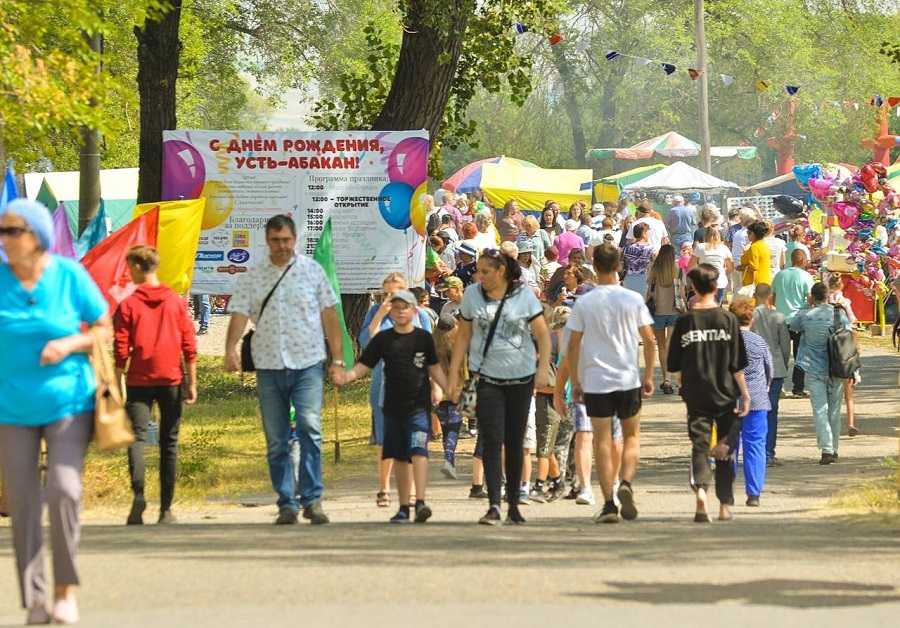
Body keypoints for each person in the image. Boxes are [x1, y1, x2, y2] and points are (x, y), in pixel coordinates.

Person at [0, 198, 110, 624]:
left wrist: (68, 344)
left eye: (12, 231)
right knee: (22, 502)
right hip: (11, 407)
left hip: (68, 401)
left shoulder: (68, 275)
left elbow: (103, 327)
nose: (4, 240)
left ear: (38, 235)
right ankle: (36, 599)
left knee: (65, 489)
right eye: (1, 232)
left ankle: (65, 591)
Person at [225, 214, 344, 525]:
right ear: (267, 241)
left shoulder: (312, 272)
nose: (281, 246)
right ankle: (286, 502)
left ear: (295, 240)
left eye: (286, 240)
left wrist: (338, 359)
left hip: (307, 363)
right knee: (277, 439)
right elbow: (239, 315)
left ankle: (313, 499)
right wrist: (229, 350)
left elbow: (330, 315)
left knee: (309, 427)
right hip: (269, 365)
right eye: (276, 240)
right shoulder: (253, 277)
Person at [448, 248, 551, 525]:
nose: (478, 276)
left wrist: (542, 370)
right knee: (492, 439)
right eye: (478, 271)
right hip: (487, 377)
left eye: (485, 271)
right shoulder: (471, 296)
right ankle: (494, 504)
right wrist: (454, 374)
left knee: (515, 442)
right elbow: (463, 336)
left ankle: (514, 505)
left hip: (521, 376)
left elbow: (543, 333)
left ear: (501, 271)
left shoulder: (523, 296)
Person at [334, 291, 448, 523]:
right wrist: (346, 377)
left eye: (405, 307)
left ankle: (421, 501)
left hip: (418, 406)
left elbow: (434, 367)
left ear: (415, 310)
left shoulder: (423, 339)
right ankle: (404, 506)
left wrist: (444, 388)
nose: (401, 312)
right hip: (392, 406)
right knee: (399, 458)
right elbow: (363, 366)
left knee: (418, 451)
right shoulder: (383, 339)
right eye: (396, 308)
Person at [565, 243, 657, 524]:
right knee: (631, 436)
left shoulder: (584, 302)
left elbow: (572, 344)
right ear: (619, 266)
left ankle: (608, 502)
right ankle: (626, 481)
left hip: (596, 380)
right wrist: (650, 375)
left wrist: (575, 380)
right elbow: (650, 340)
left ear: (595, 266)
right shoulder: (632, 299)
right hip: (627, 377)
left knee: (601, 441)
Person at [114, 245, 198, 526]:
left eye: (129, 268)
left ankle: (138, 495)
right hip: (171, 378)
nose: (128, 273)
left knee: (136, 438)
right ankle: (166, 509)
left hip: (139, 379)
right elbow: (189, 345)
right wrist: (192, 382)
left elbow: (121, 350)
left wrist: (117, 382)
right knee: (169, 443)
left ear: (138, 267)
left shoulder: (128, 305)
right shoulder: (175, 302)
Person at [667, 263, 751, 523]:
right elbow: (737, 364)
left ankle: (701, 495)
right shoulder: (727, 320)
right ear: (716, 287)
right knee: (726, 447)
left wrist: (685, 380)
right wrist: (745, 394)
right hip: (725, 393)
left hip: (695, 393)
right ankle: (725, 505)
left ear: (693, 288)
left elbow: (673, 365)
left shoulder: (684, 322)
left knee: (700, 446)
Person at [359, 273, 432, 507]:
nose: (392, 297)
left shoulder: (419, 314)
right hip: (384, 383)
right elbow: (366, 344)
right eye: (388, 293)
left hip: (415, 386)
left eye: (397, 291)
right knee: (385, 438)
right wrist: (379, 315)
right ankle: (384, 487)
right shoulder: (375, 313)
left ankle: (410, 490)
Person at [790, 282, 851, 464]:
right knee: (834, 410)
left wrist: (806, 305)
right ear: (827, 296)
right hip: (836, 367)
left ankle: (826, 449)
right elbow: (848, 335)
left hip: (814, 368)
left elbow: (793, 325)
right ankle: (835, 448)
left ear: (812, 296)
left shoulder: (806, 315)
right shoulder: (838, 314)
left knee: (820, 409)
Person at [730, 298, 772, 507]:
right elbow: (769, 370)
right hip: (756, 399)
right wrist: (763, 389)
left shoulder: (726, 341)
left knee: (729, 445)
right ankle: (753, 492)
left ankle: (726, 488)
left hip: (729, 398)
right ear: (752, 318)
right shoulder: (759, 342)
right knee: (755, 445)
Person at [751, 283, 791, 466]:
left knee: (754, 410)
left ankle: (755, 451)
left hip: (755, 368)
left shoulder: (749, 317)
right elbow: (785, 345)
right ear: (771, 296)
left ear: (754, 295)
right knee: (772, 410)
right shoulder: (778, 317)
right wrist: (783, 363)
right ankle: (768, 452)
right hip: (775, 367)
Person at [772, 249, 815, 397]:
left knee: (780, 355)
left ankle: (778, 387)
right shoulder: (806, 276)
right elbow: (810, 298)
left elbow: (773, 296)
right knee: (800, 354)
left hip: (780, 318)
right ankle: (798, 388)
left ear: (791, 259)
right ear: (803, 261)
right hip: (798, 318)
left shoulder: (779, 275)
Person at [646, 244, 686, 395]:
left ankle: (666, 379)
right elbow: (682, 292)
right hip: (674, 311)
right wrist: (686, 308)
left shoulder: (654, 269)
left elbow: (649, 291)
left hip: (658, 311)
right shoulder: (677, 270)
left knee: (661, 346)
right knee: (671, 345)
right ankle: (673, 379)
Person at [433, 310, 467, 479]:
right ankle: (448, 458)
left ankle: (450, 461)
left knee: (446, 428)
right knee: (454, 427)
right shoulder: (459, 345)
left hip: (436, 392)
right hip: (456, 391)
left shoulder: (431, 344)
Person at [827, 274, 860, 436]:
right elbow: (853, 320)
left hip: (829, 348)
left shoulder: (826, 303)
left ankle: (831, 424)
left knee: (831, 393)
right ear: (841, 286)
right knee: (849, 392)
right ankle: (851, 423)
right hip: (845, 348)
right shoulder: (845, 302)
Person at [690, 226, 733, 303]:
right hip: (720, 281)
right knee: (717, 306)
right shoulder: (724, 248)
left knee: (703, 305)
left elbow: (691, 265)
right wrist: (723, 272)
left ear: (706, 236)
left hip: (703, 280)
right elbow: (730, 267)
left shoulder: (700, 247)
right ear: (719, 236)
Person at [730, 207, 758, 297]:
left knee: (737, 290)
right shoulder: (748, 233)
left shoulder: (738, 233)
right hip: (743, 265)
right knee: (745, 292)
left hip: (735, 263)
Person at [622, 222, 656, 296]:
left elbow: (622, 264)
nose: (648, 234)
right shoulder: (651, 249)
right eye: (647, 232)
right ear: (644, 234)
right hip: (643, 280)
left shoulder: (626, 248)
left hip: (628, 279)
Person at [739, 221, 772, 290]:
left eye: (749, 233)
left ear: (755, 234)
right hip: (766, 280)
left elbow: (754, 266)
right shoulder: (764, 245)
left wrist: (742, 267)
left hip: (755, 283)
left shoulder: (754, 247)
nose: (747, 235)